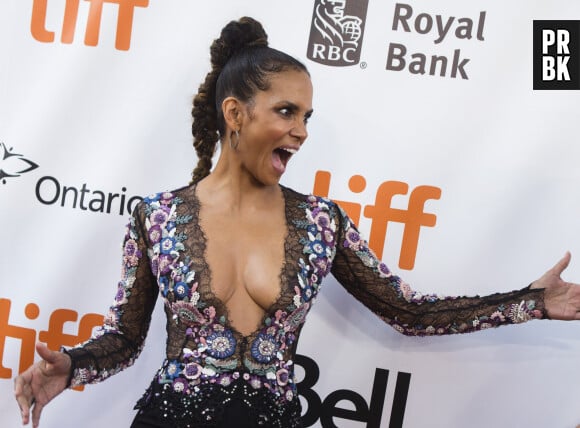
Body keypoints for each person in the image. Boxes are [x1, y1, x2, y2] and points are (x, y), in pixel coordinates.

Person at [13, 16, 580, 428]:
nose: (301, 130)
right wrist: (75, 365)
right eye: (286, 111)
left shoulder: (320, 224)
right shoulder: (156, 217)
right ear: (235, 113)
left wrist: (529, 302)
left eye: (306, 116)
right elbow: (126, 338)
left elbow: (409, 313)